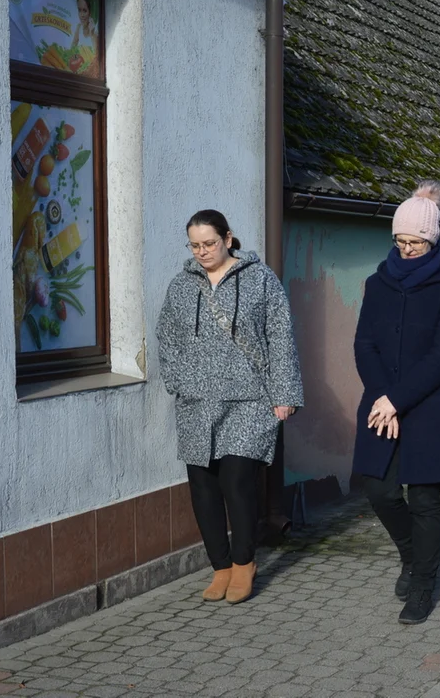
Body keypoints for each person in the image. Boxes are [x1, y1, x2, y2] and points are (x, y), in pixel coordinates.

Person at [157, 210, 303, 605]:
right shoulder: (181, 286)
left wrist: (284, 393)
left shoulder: (260, 279)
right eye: (195, 245)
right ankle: (219, 566)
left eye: (210, 243)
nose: (202, 251)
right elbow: (166, 336)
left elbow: (280, 336)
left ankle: (243, 563)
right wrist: (177, 380)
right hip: (196, 401)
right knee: (202, 485)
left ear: (228, 239)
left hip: (249, 399)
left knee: (237, 481)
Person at [352, 181, 440, 626]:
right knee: (379, 489)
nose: (406, 249)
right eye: (400, 241)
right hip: (383, 403)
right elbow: (365, 345)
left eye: (415, 242)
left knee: (424, 499)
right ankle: (409, 553)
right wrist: (384, 398)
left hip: (432, 406)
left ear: (432, 239)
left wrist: (397, 400)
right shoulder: (377, 283)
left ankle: (423, 585)